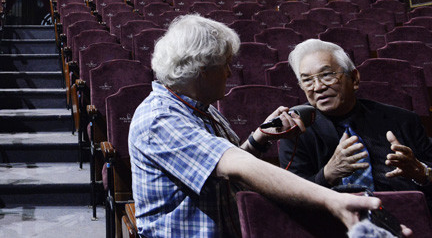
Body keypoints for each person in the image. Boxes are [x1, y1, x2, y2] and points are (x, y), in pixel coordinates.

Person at [129, 15, 388, 238]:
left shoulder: (202, 109)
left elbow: (218, 171)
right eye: (225, 65)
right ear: (201, 70)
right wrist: (332, 199)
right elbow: (237, 167)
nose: (230, 73)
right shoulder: (160, 119)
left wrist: (259, 138)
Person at [279, 39, 432, 202]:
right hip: (333, 222)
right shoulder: (296, 131)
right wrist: (327, 174)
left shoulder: (403, 121)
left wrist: (420, 172)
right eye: (307, 80)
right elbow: (290, 196)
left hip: (406, 215)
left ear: (354, 78)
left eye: (326, 75)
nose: (317, 87)